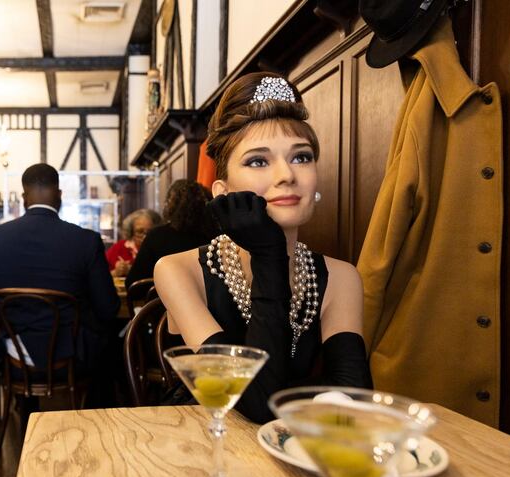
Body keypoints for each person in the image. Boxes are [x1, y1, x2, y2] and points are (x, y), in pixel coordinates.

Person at [154, 73, 372, 423]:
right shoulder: (176, 270)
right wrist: (270, 254)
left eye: (301, 157)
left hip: (292, 451)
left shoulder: (341, 277)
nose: (286, 174)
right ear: (223, 193)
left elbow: (353, 401)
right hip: (200, 443)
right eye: (258, 161)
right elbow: (254, 403)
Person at [0, 163, 121, 402]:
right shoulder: (86, 241)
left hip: (12, 358)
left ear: (24, 198)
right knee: (110, 341)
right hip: (72, 358)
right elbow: (108, 309)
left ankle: (22, 410)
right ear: (59, 195)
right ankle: (93, 415)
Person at [125, 179, 215, 288]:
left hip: (162, 304)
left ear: (170, 205)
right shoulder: (215, 235)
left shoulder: (156, 236)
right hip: (208, 303)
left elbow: (134, 284)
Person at [106, 209, 161, 277]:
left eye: (150, 232)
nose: (145, 236)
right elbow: (101, 275)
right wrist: (116, 272)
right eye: (140, 232)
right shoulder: (118, 248)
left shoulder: (160, 249)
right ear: (131, 232)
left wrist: (131, 270)